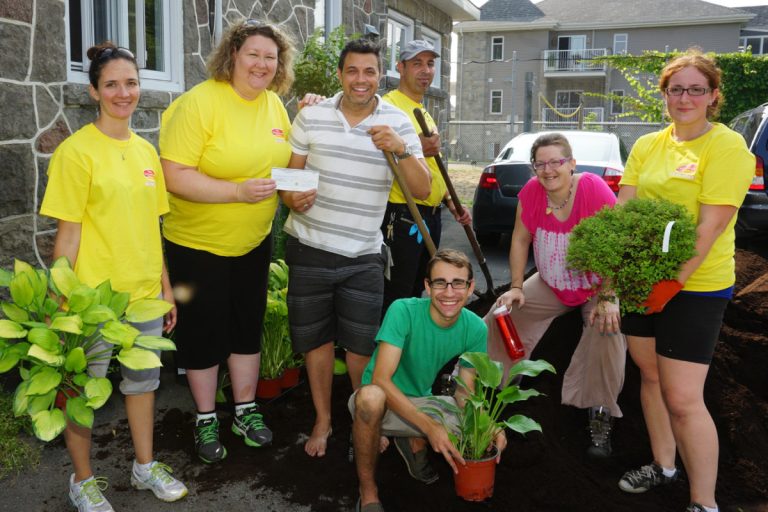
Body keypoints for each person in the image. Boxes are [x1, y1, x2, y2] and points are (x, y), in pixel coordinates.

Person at [40, 43, 187, 511]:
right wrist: (61, 302)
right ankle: (82, 480)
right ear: (94, 92)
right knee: (81, 393)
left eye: (131, 82)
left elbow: (151, 228)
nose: (124, 93)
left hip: (143, 296)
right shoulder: (75, 152)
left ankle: (144, 467)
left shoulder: (146, 150)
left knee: (142, 386)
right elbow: (67, 236)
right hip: (91, 300)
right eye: (112, 84)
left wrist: (165, 290)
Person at [278, 38, 432, 458]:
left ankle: (361, 418)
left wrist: (399, 149)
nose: (360, 80)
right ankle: (324, 420)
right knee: (317, 344)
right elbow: (290, 183)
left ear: (380, 75)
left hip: (364, 252)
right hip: (310, 246)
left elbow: (423, 189)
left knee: (363, 347)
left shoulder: (398, 122)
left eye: (369, 72)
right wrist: (294, 198)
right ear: (341, 74)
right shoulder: (312, 115)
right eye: (352, 71)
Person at [616, 50, 754, 512]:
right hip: (642, 278)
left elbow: (708, 228)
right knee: (651, 377)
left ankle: (704, 502)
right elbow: (626, 211)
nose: (685, 97)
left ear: (713, 96)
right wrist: (624, 270)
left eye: (696, 89)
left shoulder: (728, 147)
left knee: (682, 398)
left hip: (696, 286)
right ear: (665, 95)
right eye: (676, 89)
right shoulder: (647, 145)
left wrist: (671, 283)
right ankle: (664, 465)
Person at [159, 19, 296, 464]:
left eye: (270, 57)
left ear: (280, 65)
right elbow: (173, 175)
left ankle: (244, 410)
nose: (261, 63)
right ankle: (204, 417)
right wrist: (235, 192)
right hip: (197, 245)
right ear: (233, 55)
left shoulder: (276, 106)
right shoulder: (198, 104)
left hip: (253, 242)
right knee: (202, 331)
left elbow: (287, 163)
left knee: (245, 326)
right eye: (253, 54)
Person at [490, 133, 627, 458]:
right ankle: (489, 382)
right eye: (540, 164)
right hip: (552, 282)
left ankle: (599, 411)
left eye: (556, 162)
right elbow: (520, 240)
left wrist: (609, 295)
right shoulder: (531, 193)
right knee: (503, 315)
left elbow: (617, 240)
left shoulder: (591, 189)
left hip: (596, 284)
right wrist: (516, 287)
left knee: (607, 329)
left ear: (571, 164)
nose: (548, 170)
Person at [350, 249, 502, 512]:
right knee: (370, 398)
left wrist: (489, 426)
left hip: (422, 401)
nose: (449, 292)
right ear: (428, 287)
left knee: (473, 427)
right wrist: (430, 427)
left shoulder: (476, 328)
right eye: (440, 282)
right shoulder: (403, 311)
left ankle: (409, 441)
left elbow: (465, 394)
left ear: (470, 288)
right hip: (383, 401)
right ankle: (368, 491)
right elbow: (381, 380)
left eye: (458, 283)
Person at [380, 40, 471, 315]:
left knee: (418, 291)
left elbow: (431, 165)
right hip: (403, 214)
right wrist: (416, 146)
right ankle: (388, 354)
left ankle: (409, 351)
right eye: (416, 63)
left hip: (431, 215)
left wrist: (449, 200)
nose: (425, 70)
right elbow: (382, 157)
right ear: (400, 68)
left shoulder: (421, 109)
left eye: (430, 64)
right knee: (397, 294)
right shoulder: (388, 107)